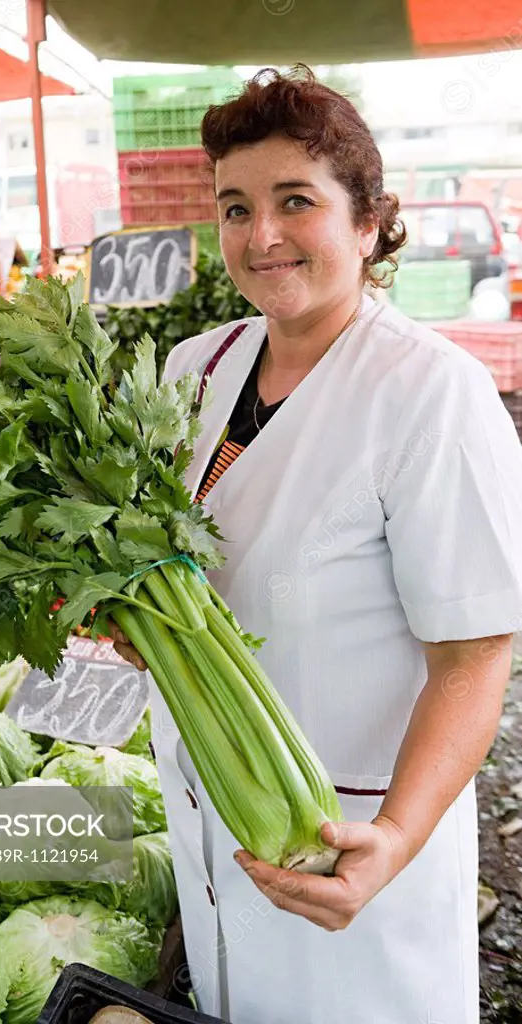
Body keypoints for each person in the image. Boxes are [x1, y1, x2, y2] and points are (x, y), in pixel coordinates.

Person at [111, 66, 522, 1024]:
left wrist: (396, 830)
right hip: (209, 816)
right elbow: (190, 576)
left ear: (367, 221)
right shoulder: (194, 369)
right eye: (234, 207)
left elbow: (473, 657)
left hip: (349, 832)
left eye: (296, 201)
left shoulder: (431, 394)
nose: (261, 237)